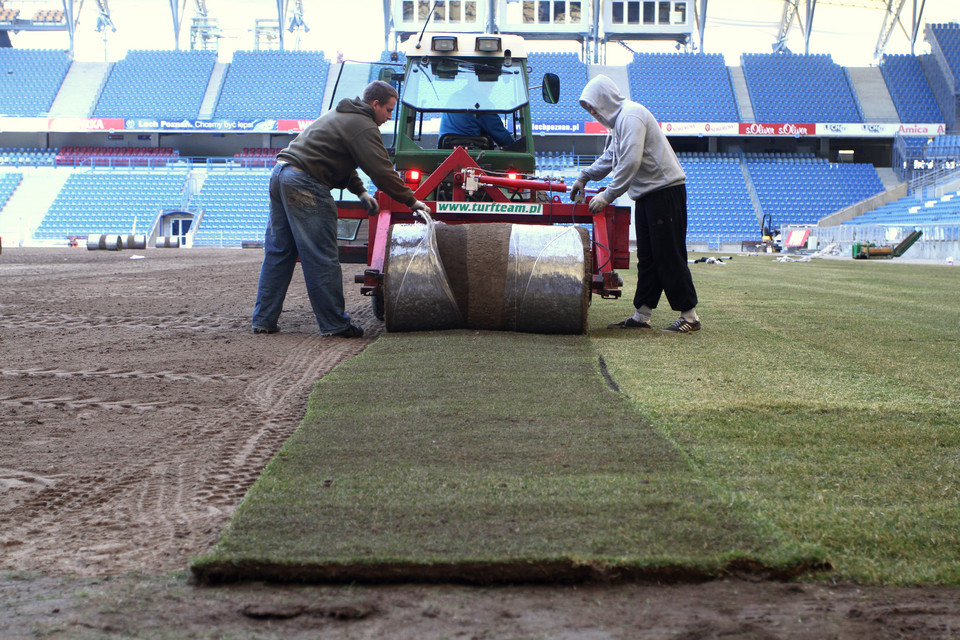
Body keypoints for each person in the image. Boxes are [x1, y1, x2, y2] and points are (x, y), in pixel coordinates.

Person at [251, 80, 431, 337]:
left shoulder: (340, 115)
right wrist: (411, 200)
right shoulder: (363, 126)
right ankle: (335, 325)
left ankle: (263, 320)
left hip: (281, 174)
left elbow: (340, 159)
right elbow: (381, 171)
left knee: (280, 252)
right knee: (322, 257)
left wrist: (360, 192)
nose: (389, 117)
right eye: (389, 110)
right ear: (375, 104)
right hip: (305, 183)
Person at [570, 74, 701, 333]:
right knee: (648, 258)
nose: (593, 112)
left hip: (665, 192)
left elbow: (630, 161)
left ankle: (690, 316)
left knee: (668, 255)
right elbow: (611, 158)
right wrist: (584, 176)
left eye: (593, 106)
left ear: (605, 98)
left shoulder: (631, 116)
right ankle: (642, 315)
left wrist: (607, 194)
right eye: (589, 109)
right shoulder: (620, 122)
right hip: (648, 195)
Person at [438, 81, 514, 149]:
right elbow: (502, 137)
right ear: (472, 82)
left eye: (491, 86)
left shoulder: (454, 97)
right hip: (473, 153)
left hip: (446, 152)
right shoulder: (482, 105)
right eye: (484, 85)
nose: (488, 90)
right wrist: (517, 146)